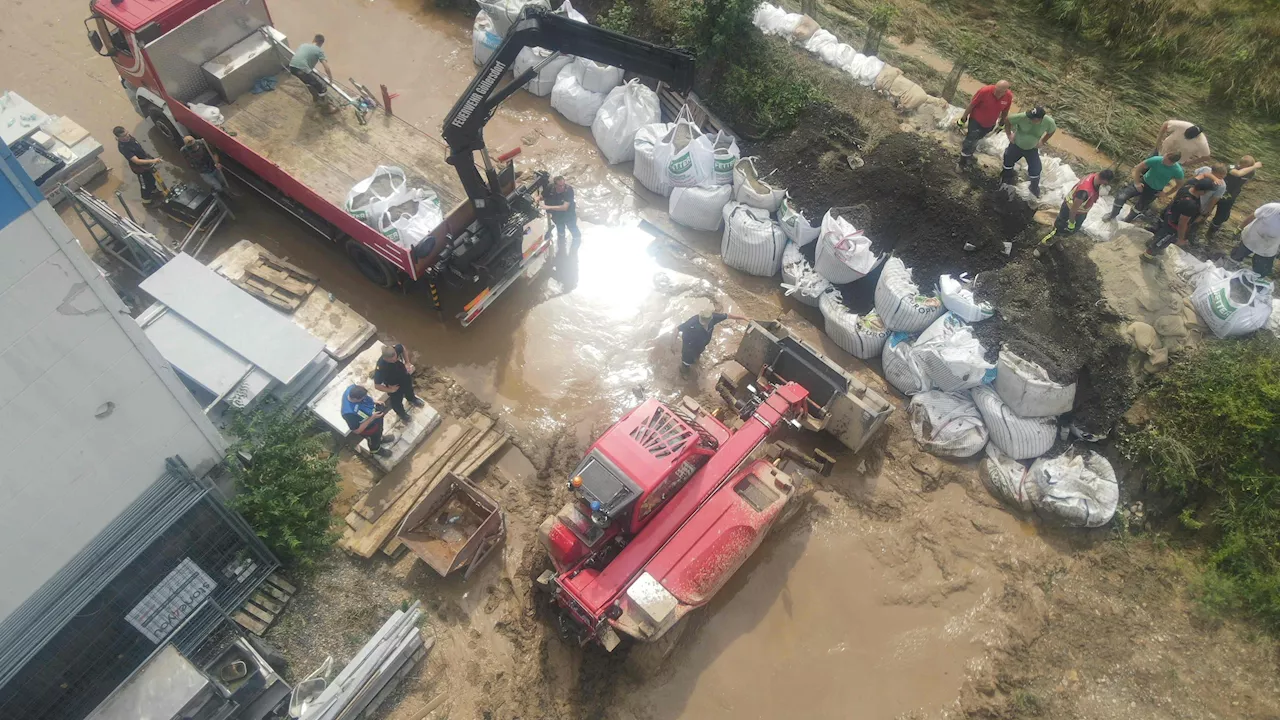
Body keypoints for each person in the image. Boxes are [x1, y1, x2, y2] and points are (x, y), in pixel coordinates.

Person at [1035, 169, 1115, 255]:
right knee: (1060, 230)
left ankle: (1057, 241)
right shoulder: (1084, 191)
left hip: (1080, 211)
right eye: (1106, 183)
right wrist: (1071, 222)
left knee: (1068, 231)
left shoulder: (1094, 177)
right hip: (1070, 211)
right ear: (1103, 180)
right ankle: (1042, 247)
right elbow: (1074, 208)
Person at [1142, 177, 1216, 260]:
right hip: (1173, 226)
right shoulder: (1191, 204)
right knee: (1163, 241)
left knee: (1161, 234)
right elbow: (1182, 223)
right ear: (1202, 191)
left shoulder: (1186, 188)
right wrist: (1181, 238)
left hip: (1170, 216)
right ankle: (1148, 255)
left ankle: (1151, 243)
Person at [1104, 152, 1184, 222]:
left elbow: (1179, 184)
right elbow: (1138, 168)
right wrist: (1137, 183)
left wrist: (1166, 194)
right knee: (1121, 196)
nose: (1163, 161)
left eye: (1165, 161)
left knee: (1139, 207)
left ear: (1172, 163)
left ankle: (1127, 220)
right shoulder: (1156, 159)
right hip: (1143, 182)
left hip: (1155, 190)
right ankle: (1112, 214)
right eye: (1164, 158)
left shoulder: (1177, 171)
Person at [957, 80, 1014, 168]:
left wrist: (1002, 123)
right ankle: (962, 162)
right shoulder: (984, 91)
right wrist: (964, 117)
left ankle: (968, 154)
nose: (996, 93)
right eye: (996, 90)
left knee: (976, 139)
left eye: (999, 92)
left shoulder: (1008, 96)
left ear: (1005, 91)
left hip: (989, 124)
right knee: (971, 139)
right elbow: (972, 104)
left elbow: (1005, 111)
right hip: (976, 120)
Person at [1000, 106, 1056, 196]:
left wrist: (1042, 141)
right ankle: (1006, 178)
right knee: (1008, 160)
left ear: (1040, 119)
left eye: (1033, 119)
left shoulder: (1048, 122)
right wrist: (1009, 135)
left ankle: (1033, 188)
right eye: (1029, 117)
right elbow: (1008, 120)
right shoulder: (1022, 117)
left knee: (1036, 169)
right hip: (1016, 145)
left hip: (1032, 149)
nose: (1029, 119)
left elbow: (1052, 130)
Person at [674, 308, 747, 377]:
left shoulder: (714, 317)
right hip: (689, 346)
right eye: (701, 321)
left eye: (704, 321)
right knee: (687, 361)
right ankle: (684, 370)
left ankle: (695, 358)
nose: (702, 323)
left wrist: (743, 317)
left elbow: (728, 315)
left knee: (697, 354)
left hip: (701, 345)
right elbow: (677, 329)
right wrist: (673, 344)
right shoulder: (692, 322)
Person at [1207, 155, 1264, 239]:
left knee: (1223, 216)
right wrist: (1254, 166)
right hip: (1218, 193)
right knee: (1206, 209)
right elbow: (1238, 174)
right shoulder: (1231, 167)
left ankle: (1211, 232)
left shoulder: (1251, 172)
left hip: (1230, 197)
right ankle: (1197, 224)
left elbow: (1246, 181)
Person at [372, 343, 424, 422]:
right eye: (392, 360)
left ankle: (412, 399)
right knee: (396, 402)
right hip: (394, 385)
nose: (395, 360)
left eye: (396, 357)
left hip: (404, 376)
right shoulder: (381, 366)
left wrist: (407, 362)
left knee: (409, 389)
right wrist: (390, 390)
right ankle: (402, 414)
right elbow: (377, 385)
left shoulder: (395, 349)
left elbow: (403, 348)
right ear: (386, 358)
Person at [341, 385, 396, 457]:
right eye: (362, 398)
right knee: (373, 440)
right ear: (355, 399)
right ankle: (376, 450)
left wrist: (375, 402)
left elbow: (365, 398)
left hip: (374, 419)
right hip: (368, 429)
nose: (365, 398)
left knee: (379, 432)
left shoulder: (352, 388)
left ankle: (380, 438)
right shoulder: (349, 413)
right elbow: (356, 431)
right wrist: (372, 418)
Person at [113, 126, 162, 203]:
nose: (127, 136)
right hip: (139, 168)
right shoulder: (124, 148)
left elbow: (140, 149)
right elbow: (137, 161)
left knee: (151, 179)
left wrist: (149, 158)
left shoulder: (129, 138)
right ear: (118, 138)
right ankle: (146, 201)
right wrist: (152, 161)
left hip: (146, 162)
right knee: (145, 185)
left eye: (127, 133)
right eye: (124, 136)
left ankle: (154, 190)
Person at [1230, 202, 1280, 276]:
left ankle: (1254, 279)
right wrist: (1239, 228)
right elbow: (1252, 216)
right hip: (1252, 237)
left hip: (1269, 246)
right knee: (1235, 257)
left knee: (1261, 271)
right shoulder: (1271, 208)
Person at [1183, 163, 1228, 245]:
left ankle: (1185, 237)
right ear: (1213, 172)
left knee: (1190, 223)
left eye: (1223, 176)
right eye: (1220, 176)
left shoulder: (1221, 186)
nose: (1221, 178)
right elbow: (1193, 178)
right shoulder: (1204, 169)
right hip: (1189, 195)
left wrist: (1205, 213)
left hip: (1200, 205)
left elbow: (1214, 200)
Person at [540, 175, 582, 250]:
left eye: (563, 185)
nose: (562, 187)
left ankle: (576, 244)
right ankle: (562, 244)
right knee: (560, 229)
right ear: (555, 185)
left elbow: (564, 207)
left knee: (573, 228)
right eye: (560, 186)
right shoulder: (550, 187)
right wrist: (537, 199)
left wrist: (548, 207)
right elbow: (543, 196)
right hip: (557, 215)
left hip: (569, 215)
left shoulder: (568, 190)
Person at [289, 34, 334, 104]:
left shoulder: (303, 45)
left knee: (309, 83)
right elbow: (326, 67)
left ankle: (316, 99)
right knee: (322, 86)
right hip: (302, 70)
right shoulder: (319, 50)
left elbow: (301, 57)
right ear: (321, 43)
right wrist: (330, 79)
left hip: (292, 67)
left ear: (313, 40)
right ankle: (326, 108)